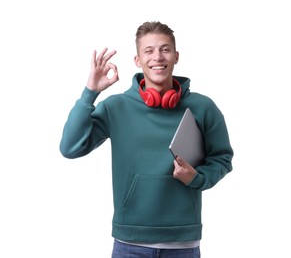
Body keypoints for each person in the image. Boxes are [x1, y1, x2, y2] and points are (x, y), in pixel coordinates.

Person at [60, 21, 233, 258]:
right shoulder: (116, 107)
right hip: (129, 244)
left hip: (182, 244)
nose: (157, 57)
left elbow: (222, 158)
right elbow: (70, 147)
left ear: (176, 56)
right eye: (148, 51)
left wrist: (197, 178)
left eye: (165, 49)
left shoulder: (203, 107)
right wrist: (91, 91)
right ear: (138, 60)